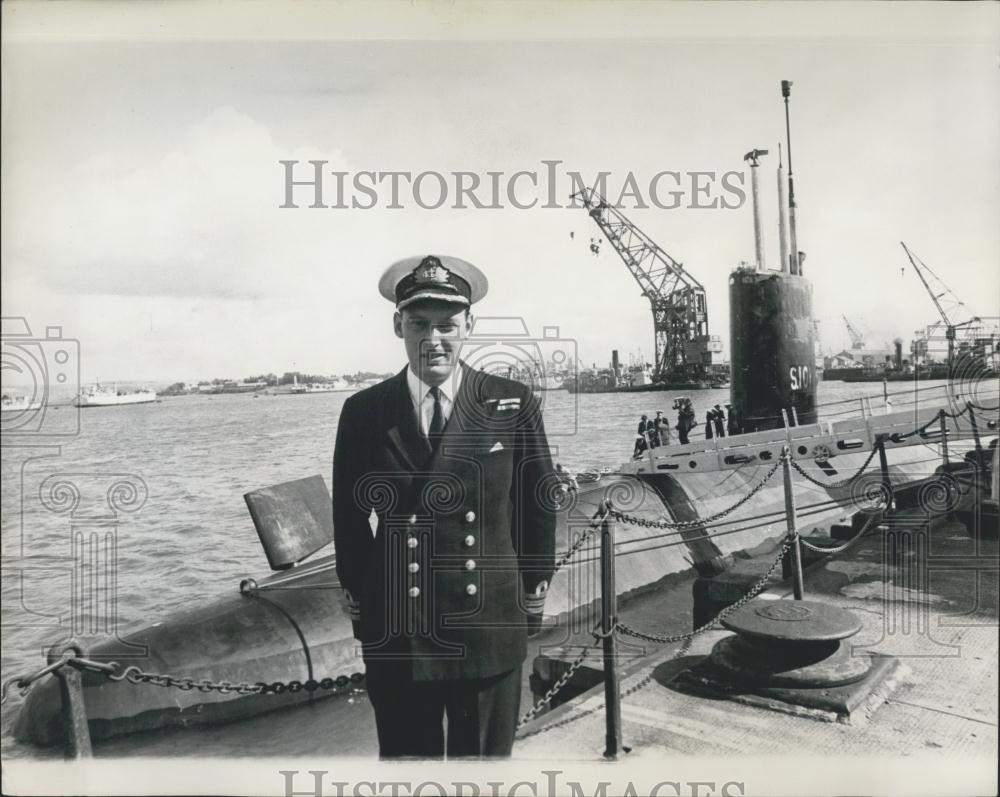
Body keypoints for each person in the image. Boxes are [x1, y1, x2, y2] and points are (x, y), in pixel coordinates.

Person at [332, 254, 556, 759]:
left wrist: (533, 591)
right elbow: (349, 517)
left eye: (447, 325)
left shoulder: (510, 402)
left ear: (468, 326)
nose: (434, 339)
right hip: (400, 627)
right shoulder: (365, 412)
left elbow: (536, 505)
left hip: (486, 623)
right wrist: (359, 593)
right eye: (419, 324)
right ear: (398, 326)